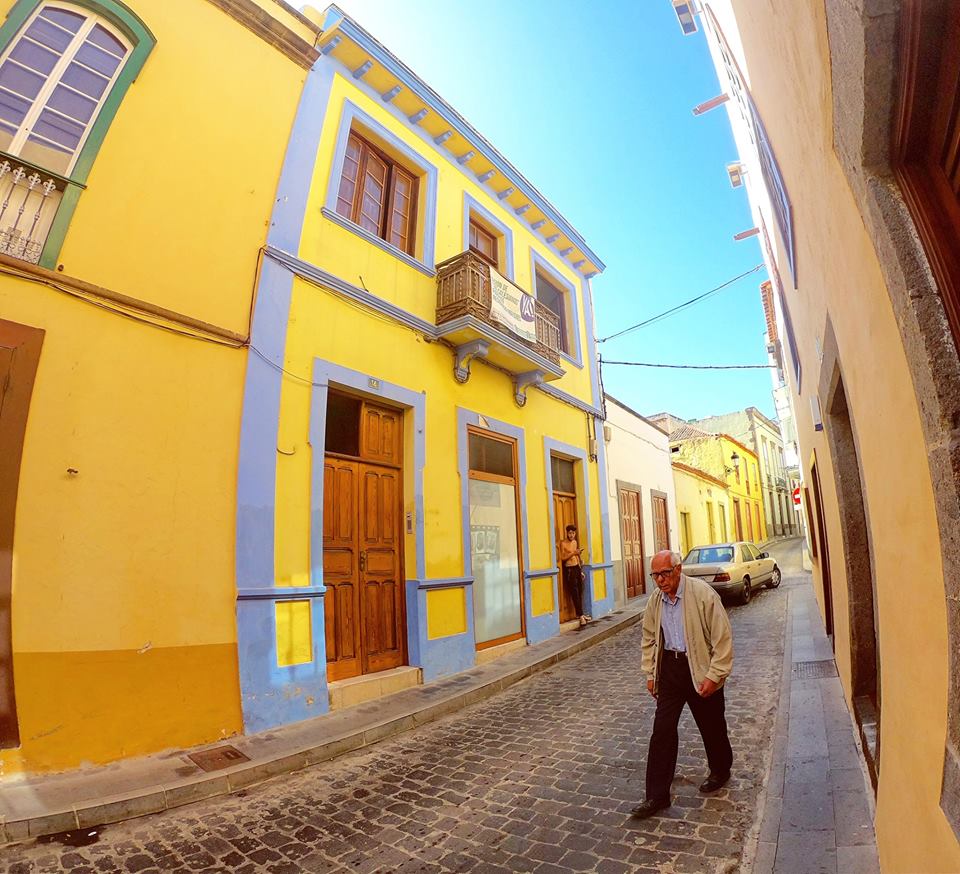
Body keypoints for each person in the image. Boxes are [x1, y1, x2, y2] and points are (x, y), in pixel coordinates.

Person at [631, 549, 734, 820]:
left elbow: (722, 639)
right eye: (655, 575)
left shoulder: (702, 594)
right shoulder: (656, 601)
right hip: (671, 670)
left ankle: (721, 770)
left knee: (712, 726)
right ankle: (656, 795)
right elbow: (650, 636)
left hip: (699, 667)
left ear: (678, 570)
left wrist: (715, 675)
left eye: (665, 573)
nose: (660, 580)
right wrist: (650, 673)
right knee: (662, 731)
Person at [559, 524, 590, 627]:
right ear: (567, 533)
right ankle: (581, 616)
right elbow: (563, 558)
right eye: (569, 533)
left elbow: (576, 556)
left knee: (580, 590)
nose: (571, 535)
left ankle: (580, 613)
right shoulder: (563, 543)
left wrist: (580, 570)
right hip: (569, 569)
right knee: (574, 592)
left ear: (575, 533)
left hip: (577, 567)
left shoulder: (575, 542)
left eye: (573, 533)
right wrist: (573, 553)